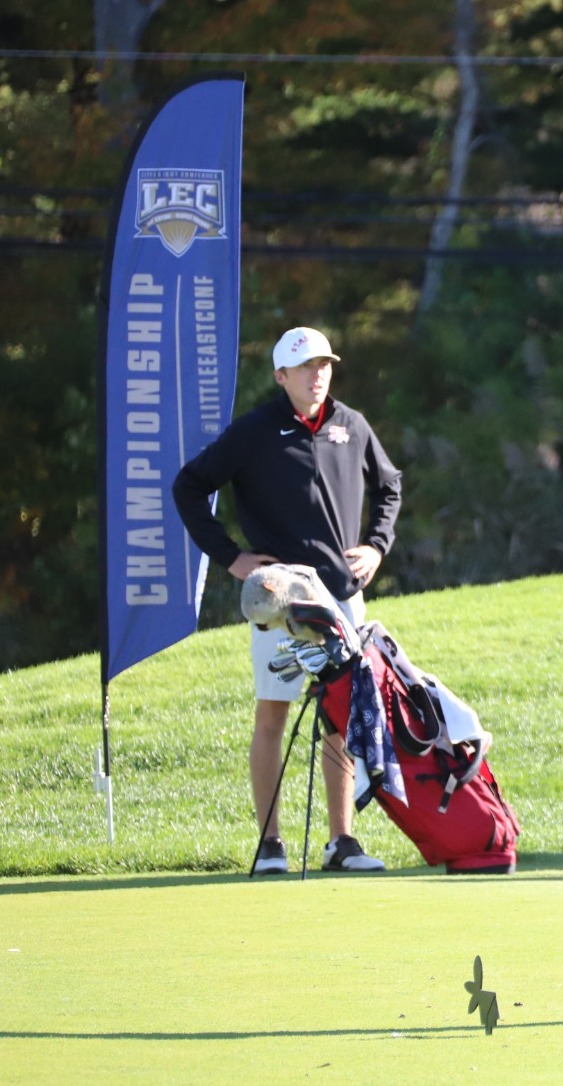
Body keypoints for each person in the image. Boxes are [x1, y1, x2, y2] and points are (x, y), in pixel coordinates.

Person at [173, 326, 402, 875]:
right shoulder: (254, 431)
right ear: (281, 376)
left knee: (340, 720)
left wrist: (376, 546)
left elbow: (389, 485)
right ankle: (270, 845)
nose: (317, 374)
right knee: (273, 714)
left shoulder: (352, 425)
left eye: (323, 364)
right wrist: (231, 557)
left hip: (342, 598)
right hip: (281, 600)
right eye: (304, 367)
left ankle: (341, 842)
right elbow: (188, 485)